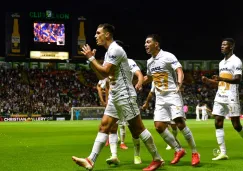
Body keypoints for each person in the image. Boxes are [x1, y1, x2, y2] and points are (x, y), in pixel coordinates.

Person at [72, 24, 164, 171]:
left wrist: (91, 58)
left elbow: (104, 71)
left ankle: (157, 158)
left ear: (107, 35)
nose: (96, 36)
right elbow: (103, 75)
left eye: (98, 33)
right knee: (104, 126)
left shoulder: (115, 49)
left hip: (124, 94)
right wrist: (92, 61)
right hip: (116, 95)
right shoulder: (109, 52)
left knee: (138, 129)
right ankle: (90, 160)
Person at [143, 34, 200, 166]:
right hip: (160, 97)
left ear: (156, 44)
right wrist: (140, 81)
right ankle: (178, 150)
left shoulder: (168, 56)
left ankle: (195, 152)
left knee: (179, 123)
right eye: (145, 43)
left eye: (148, 42)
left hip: (173, 94)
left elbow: (179, 70)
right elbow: (150, 77)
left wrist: (179, 84)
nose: (145, 45)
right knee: (159, 126)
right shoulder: (149, 62)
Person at [201, 38, 243, 160]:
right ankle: (223, 152)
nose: (222, 46)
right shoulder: (221, 63)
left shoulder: (236, 61)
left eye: (225, 45)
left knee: (236, 125)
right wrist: (208, 81)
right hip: (220, 96)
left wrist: (221, 79)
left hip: (231, 97)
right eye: (221, 44)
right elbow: (219, 82)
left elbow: (237, 80)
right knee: (217, 122)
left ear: (231, 47)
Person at [142, 81, 181, 151]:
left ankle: (175, 141)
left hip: (172, 104)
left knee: (174, 126)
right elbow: (151, 92)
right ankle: (171, 144)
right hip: (162, 105)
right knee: (163, 126)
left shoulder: (170, 77)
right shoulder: (154, 80)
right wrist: (146, 103)